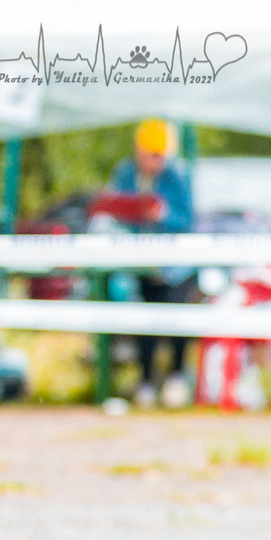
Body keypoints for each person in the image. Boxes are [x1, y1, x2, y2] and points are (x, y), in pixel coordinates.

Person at [105, 119, 198, 407]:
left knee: (176, 323)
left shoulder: (178, 176)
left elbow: (187, 220)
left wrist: (161, 216)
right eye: (148, 154)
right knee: (144, 326)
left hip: (176, 267)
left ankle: (176, 379)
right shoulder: (125, 173)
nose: (152, 161)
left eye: (158, 155)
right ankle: (145, 381)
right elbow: (113, 208)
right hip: (143, 264)